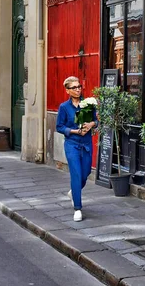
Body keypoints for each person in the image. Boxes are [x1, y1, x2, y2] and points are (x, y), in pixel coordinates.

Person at [56, 76, 97, 222]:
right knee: (76, 174)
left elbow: (96, 120)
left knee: (85, 173)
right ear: (67, 90)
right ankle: (78, 208)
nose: (78, 89)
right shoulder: (64, 107)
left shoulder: (88, 104)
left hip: (86, 143)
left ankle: (74, 192)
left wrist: (92, 124)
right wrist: (74, 131)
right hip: (72, 144)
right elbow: (59, 127)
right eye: (74, 87)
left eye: (79, 86)